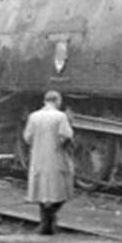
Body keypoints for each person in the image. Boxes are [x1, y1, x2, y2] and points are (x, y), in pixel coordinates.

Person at [23, 90, 74, 235]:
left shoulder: (33, 117)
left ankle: (46, 222)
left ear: (45, 101)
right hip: (56, 157)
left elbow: (27, 137)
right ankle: (49, 220)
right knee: (60, 190)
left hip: (38, 157)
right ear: (57, 101)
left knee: (41, 191)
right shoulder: (60, 116)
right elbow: (67, 135)